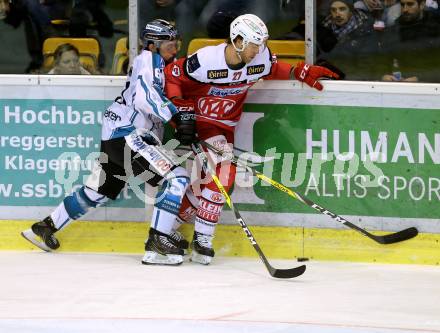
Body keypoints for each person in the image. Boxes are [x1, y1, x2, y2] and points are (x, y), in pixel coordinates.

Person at [164, 13, 339, 265]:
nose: (259, 50)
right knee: (225, 173)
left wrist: (299, 71)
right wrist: (181, 110)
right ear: (238, 41)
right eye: (254, 44)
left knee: (208, 182)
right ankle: (203, 240)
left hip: (224, 127)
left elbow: (273, 67)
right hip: (200, 120)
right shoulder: (206, 60)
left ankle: (169, 226)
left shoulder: (260, 57)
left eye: (261, 44)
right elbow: (172, 74)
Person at [21, 19, 196, 266]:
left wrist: (176, 124)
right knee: (177, 178)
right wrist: (176, 116)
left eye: (176, 41)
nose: (175, 47)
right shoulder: (150, 59)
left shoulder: (156, 63)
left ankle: (45, 227)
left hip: (115, 135)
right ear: (154, 43)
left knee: (99, 190)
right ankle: (158, 241)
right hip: (129, 134)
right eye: (170, 42)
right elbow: (147, 97)